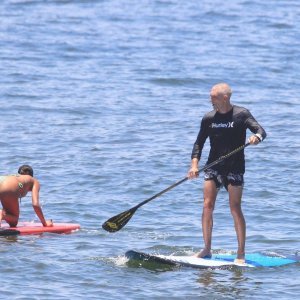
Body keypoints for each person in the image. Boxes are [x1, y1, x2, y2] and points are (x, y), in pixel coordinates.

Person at [188, 83, 266, 264]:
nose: (210, 99)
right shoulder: (208, 118)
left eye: (213, 96)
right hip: (213, 167)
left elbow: (261, 131)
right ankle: (207, 249)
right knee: (207, 206)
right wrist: (194, 165)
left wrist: (256, 138)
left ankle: (241, 253)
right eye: (210, 96)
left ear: (225, 98)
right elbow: (198, 143)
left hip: (234, 167)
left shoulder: (241, 114)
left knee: (234, 208)